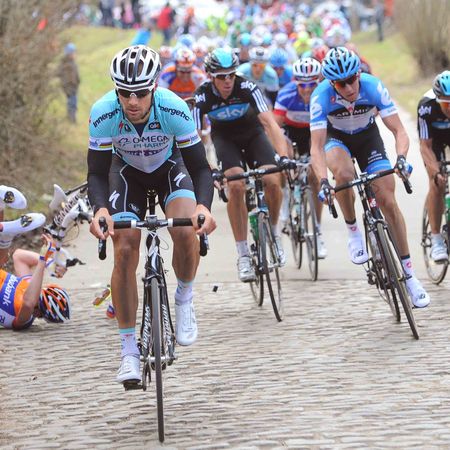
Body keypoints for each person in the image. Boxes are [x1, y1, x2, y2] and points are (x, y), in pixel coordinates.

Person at [87, 45, 216, 385]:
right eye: (124, 92)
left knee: (186, 230)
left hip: (169, 167)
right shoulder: (103, 113)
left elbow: (201, 168)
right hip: (126, 172)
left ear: (154, 88)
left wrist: (203, 207)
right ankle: (128, 350)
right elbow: (97, 173)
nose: (132, 101)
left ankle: (184, 297)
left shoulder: (173, 108)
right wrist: (100, 209)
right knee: (124, 249)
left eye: (141, 93)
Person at [310, 47, 430, 308]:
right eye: (341, 83)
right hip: (336, 139)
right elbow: (316, 148)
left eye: (352, 79)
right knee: (344, 174)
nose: (349, 87)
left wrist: (401, 159)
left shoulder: (373, 86)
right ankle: (353, 231)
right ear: (331, 84)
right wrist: (323, 181)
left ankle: (410, 277)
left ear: (359, 74)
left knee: (388, 200)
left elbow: (399, 130)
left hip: (368, 139)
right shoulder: (320, 97)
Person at [192, 47, 289, 282]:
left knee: (272, 180)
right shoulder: (202, 96)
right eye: (221, 77)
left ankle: (274, 233)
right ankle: (243, 253)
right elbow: (194, 137)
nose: (227, 81)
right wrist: (209, 169)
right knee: (235, 186)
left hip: (253, 134)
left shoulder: (247, 86)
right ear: (211, 77)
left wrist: (283, 156)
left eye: (231, 75)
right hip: (225, 139)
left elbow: (269, 123)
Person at [273, 57, 327, 259]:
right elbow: (275, 127)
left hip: (313, 133)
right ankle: (286, 198)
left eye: (311, 84)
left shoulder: (323, 94)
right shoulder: (286, 94)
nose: (307, 89)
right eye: (302, 84)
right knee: (285, 159)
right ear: (296, 82)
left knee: (315, 177)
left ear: (317, 81)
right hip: (290, 132)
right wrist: (282, 155)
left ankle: (317, 231)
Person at [0, 234, 71, 330]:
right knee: (4, 254)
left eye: (40, 316)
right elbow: (18, 256)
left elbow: (28, 303)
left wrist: (43, 259)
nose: (37, 315)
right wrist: (50, 264)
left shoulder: (25, 319)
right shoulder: (30, 286)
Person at [417, 70, 450, 262]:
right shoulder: (426, 106)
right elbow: (425, 146)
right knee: (437, 184)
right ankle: (436, 239)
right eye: (446, 104)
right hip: (433, 140)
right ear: (438, 100)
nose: (449, 108)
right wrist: (435, 172)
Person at [58, 43, 81, 123]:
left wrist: (78, 81)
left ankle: (71, 118)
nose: (75, 54)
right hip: (69, 88)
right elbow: (59, 73)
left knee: (73, 103)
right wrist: (67, 84)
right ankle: (71, 119)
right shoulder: (65, 64)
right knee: (72, 103)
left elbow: (76, 75)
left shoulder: (72, 63)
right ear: (69, 54)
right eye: (73, 52)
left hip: (73, 87)